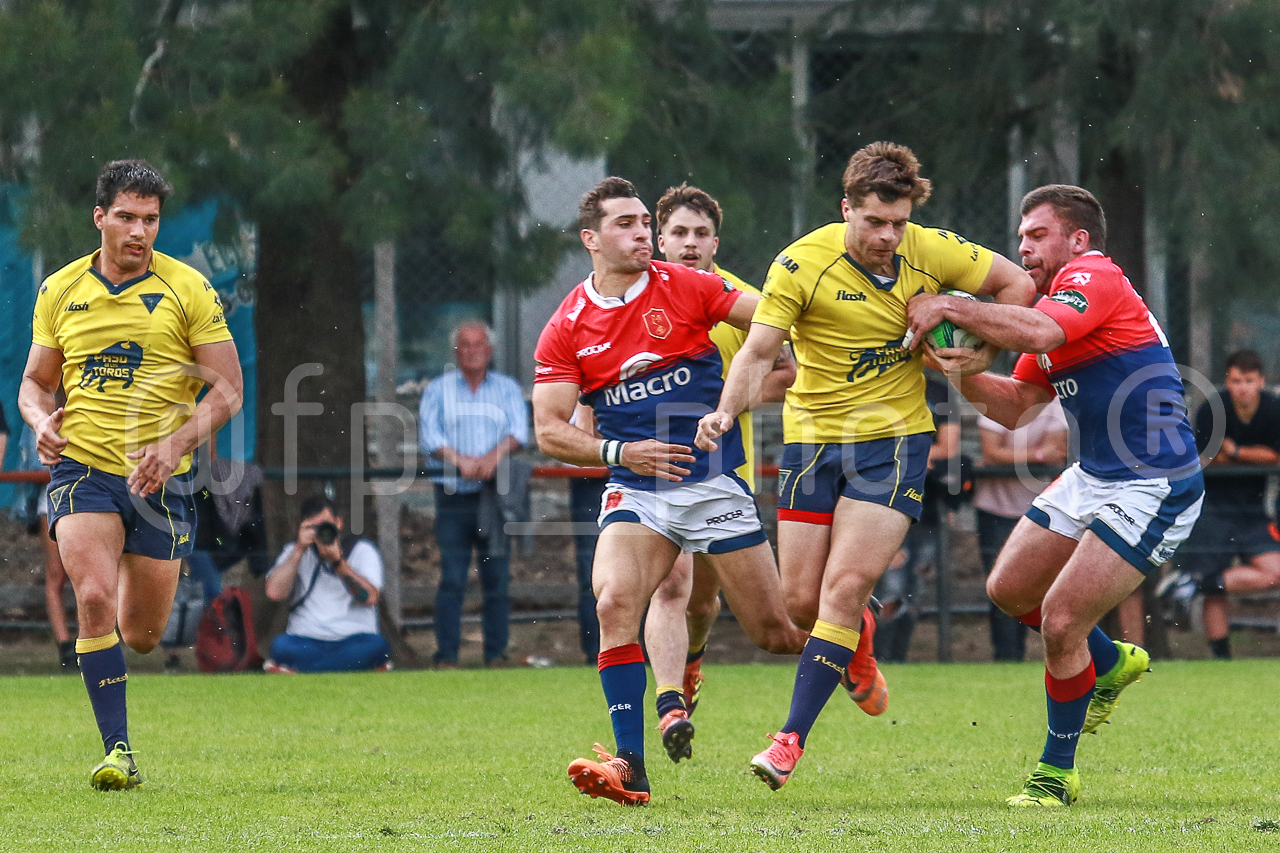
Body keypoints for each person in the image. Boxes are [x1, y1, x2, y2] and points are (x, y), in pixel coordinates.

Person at [696, 141, 1034, 792]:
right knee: (800, 605)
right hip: (813, 442)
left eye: (898, 223)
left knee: (843, 587)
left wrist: (970, 341)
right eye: (874, 221)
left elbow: (1016, 285)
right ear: (845, 207)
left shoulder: (932, 250)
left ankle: (789, 739)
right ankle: (860, 637)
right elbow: (758, 352)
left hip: (895, 440)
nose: (887, 236)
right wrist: (722, 411)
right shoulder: (800, 264)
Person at [903, 183, 1204, 807]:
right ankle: (1112, 663)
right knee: (1008, 590)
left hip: (1154, 482)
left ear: (1078, 239)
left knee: (1062, 619)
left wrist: (950, 305)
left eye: (1036, 235)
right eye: (1021, 237)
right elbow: (1013, 408)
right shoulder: (1049, 310)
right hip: (1093, 475)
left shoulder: (1095, 276)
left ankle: (1053, 775)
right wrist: (955, 370)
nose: (1024, 248)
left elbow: (1040, 332)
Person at [531, 177, 814, 806]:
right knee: (613, 604)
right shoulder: (568, 326)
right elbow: (549, 429)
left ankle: (851, 630)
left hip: (714, 484)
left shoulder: (687, 286)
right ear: (591, 240)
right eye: (626, 224)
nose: (642, 234)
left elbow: (771, 323)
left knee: (775, 633)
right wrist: (619, 452)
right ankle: (630, 764)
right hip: (636, 489)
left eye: (642, 222)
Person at [17, 159, 242, 790]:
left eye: (150, 219)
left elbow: (228, 389)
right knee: (91, 597)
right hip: (82, 467)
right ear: (100, 218)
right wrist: (39, 421)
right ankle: (118, 750)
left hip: (160, 480)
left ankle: (119, 567)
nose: (140, 231)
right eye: (127, 217)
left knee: (141, 635)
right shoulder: (60, 290)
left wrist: (175, 444)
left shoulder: (188, 289)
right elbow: (34, 385)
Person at [642, 182, 808, 764]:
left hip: (720, 470)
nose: (689, 245)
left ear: (717, 241)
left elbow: (787, 374)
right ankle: (671, 704)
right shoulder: (636, 297)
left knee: (708, 605)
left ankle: (692, 658)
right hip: (654, 472)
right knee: (671, 585)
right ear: (660, 239)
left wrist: (721, 409)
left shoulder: (741, 299)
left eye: (700, 234)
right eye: (678, 234)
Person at [418, 321, 528, 668]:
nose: (472, 350)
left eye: (479, 344)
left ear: (490, 350)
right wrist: (460, 460)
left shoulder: (508, 388)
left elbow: (519, 431)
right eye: (465, 344)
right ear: (456, 351)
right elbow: (429, 435)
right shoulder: (438, 389)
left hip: (493, 496)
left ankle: (496, 654)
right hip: (452, 496)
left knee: (497, 578)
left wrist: (490, 459)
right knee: (452, 578)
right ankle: (446, 656)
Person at [1178, 349, 1280, 659]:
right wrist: (1253, 453)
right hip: (1212, 510)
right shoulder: (1212, 409)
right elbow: (1204, 458)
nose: (1243, 388)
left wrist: (1235, 451)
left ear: (1261, 381)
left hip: (1253, 511)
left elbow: (1276, 456)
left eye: (1249, 381)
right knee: (1215, 594)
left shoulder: (1274, 409)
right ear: (1228, 381)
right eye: (1236, 381)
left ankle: (1197, 584)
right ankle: (1221, 660)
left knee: (1274, 573)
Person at [873, 372, 961, 661]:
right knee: (891, 585)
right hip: (886, 502)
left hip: (929, 506)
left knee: (916, 588)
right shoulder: (883, 384)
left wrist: (908, 455)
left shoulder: (939, 392)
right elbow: (876, 446)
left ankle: (899, 657)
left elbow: (949, 447)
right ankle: (878, 657)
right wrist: (918, 456)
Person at [974, 398, 1069, 661]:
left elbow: (1056, 452)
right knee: (1000, 586)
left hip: (1041, 510)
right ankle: (1007, 657)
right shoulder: (995, 401)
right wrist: (1037, 456)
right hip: (995, 510)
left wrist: (1014, 456)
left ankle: (1056, 656)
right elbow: (991, 453)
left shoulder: (1054, 404)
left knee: (1042, 587)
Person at [262, 495, 392, 672]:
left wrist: (339, 562)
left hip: (354, 638)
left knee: (376, 646)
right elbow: (274, 593)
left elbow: (369, 598)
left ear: (338, 523)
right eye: (313, 527)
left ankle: (299, 670)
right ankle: (356, 668)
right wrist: (299, 550)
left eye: (325, 526)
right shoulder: (294, 552)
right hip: (305, 639)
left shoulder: (361, 550)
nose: (321, 532)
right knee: (280, 646)